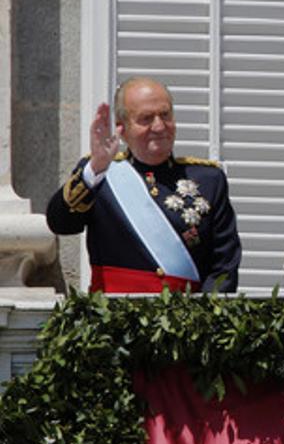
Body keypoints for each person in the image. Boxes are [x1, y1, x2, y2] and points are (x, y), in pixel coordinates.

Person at [46, 77, 241, 293]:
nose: (159, 126)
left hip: (188, 319)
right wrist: (94, 170)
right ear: (122, 127)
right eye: (146, 119)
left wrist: (201, 319)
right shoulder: (102, 175)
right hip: (115, 318)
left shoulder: (208, 179)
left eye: (165, 115)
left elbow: (224, 266)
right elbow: (60, 224)